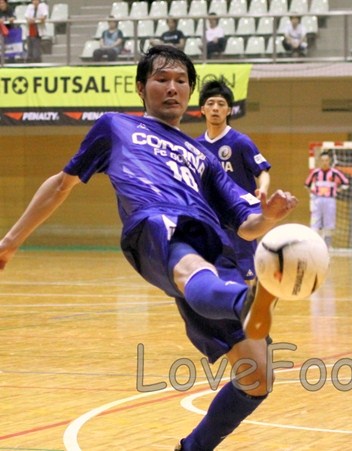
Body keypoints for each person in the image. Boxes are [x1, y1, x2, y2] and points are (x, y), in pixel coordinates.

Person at [0, 45, 298, 450]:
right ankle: (245, 302)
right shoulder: (115, 127)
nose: (172, 88)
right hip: (154, 223)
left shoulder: (203, 157)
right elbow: (60, 185)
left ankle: (190, 447)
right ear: (141, 87)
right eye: (162, 79)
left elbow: (247, 226)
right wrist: (9, 243)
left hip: (214, 247)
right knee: (189, 263)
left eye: (181, 81)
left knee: (257, 378)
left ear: (189, 91)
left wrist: (270, 216)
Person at [196, 79, 271, 285]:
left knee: (247, 280)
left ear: (229, 110)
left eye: (221, 104)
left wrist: (263, 189)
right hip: (211, 222)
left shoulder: (240, 142)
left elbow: (262, 171)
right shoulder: (196, 147)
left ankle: (253, 304)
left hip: (240, 221)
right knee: (213, 277)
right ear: (202, 109)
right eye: (210, 103)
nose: (215, 108)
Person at [304, 152, 350, 249]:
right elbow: (306, 185)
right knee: (315, 223)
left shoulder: (335, 173)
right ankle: (314, 245)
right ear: (319, 161)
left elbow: (346, 183)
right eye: (323, 160)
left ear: (329, 161)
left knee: (329, 224)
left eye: (326, 160)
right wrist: (313, 193)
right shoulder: (315, 173)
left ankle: (327, 246)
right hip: (317, 200)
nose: (324, 162)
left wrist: (338, 189)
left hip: (330, 200)